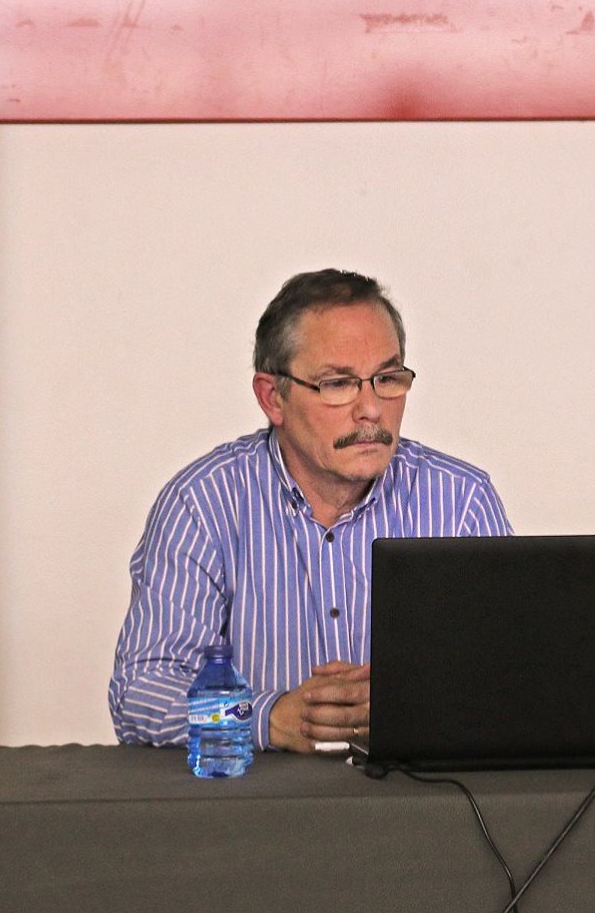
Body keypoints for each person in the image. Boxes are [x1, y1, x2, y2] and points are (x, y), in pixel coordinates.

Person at [110, 269, 513, 753]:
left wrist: (417, 708)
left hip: (422, 805)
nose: (371, 409)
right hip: (259, 813)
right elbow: (141, 693)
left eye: (387, 378)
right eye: (338, 383)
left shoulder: (460, 502)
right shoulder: (204, 504)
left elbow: (513, 680)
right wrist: (263, 717)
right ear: (272, 398)